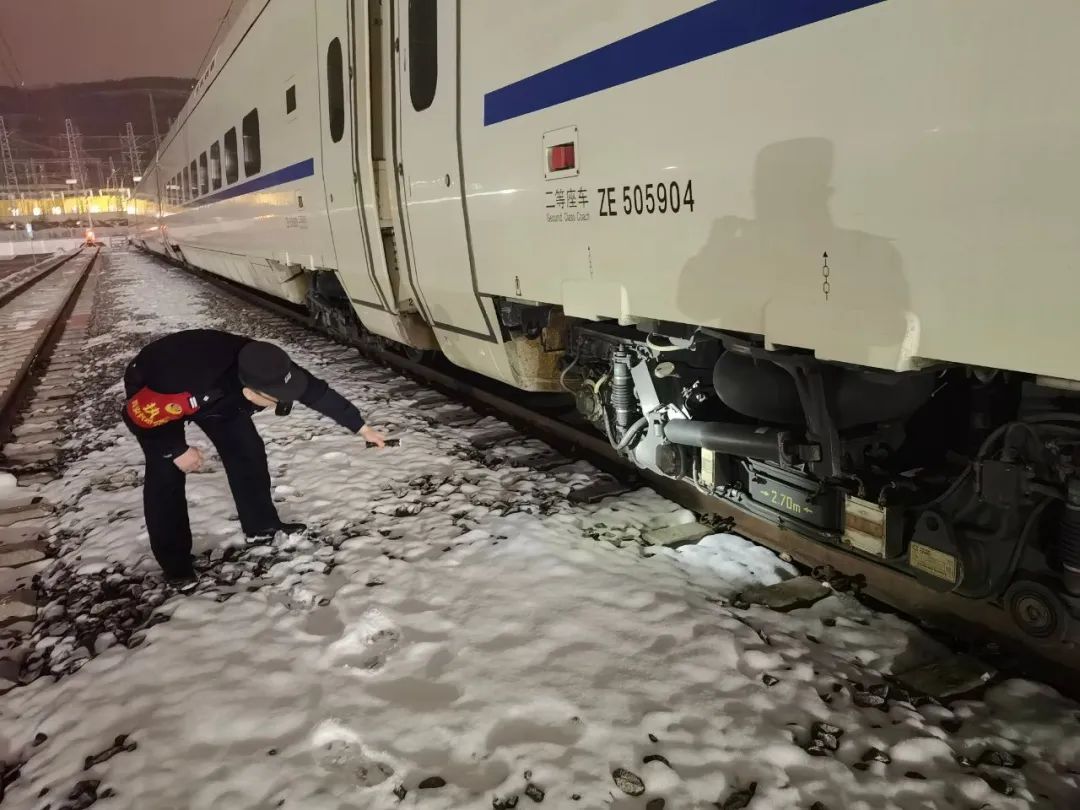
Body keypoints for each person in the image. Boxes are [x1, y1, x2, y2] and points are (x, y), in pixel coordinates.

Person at [121, 329, 386, 583]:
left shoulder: (271, 366)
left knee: (247, 450)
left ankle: (262, 527)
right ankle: (175, 564)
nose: (282, 403)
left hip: (216, 391)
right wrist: (175, 449)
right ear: (249, 393)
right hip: (156, 393)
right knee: (166, 473)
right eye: (277, 400)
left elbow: (317, 392)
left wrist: (362, 428)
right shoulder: (185, 385)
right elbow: (136, 417)